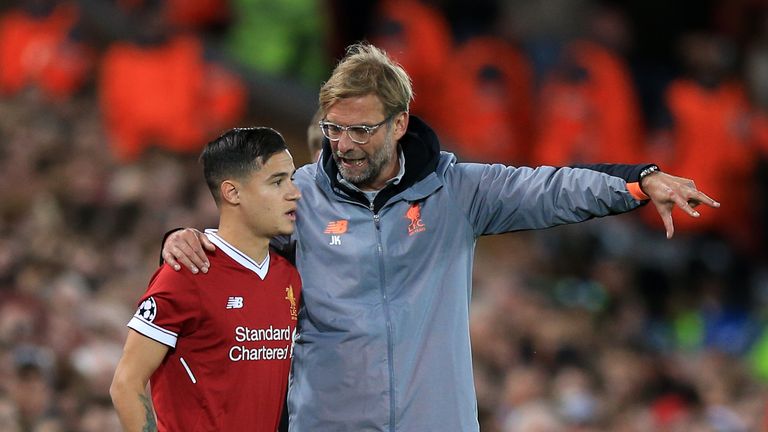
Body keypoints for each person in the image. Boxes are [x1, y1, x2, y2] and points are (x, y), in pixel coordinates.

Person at [162, 43, 719, 431]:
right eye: (333, 130)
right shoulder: (299, 196)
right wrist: (180, 239)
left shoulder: (457, 191)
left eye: (361, 130)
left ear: (399, 124)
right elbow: (226, 246)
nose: (344, 145)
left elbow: (550, 188)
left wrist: (639, 180)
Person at [111, 127, 302, 431]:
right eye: (277, 182)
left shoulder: (290, 276)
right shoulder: (188, 271)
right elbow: (125, 384)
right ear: (233, 192)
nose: (294, 192)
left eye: (292, 179)